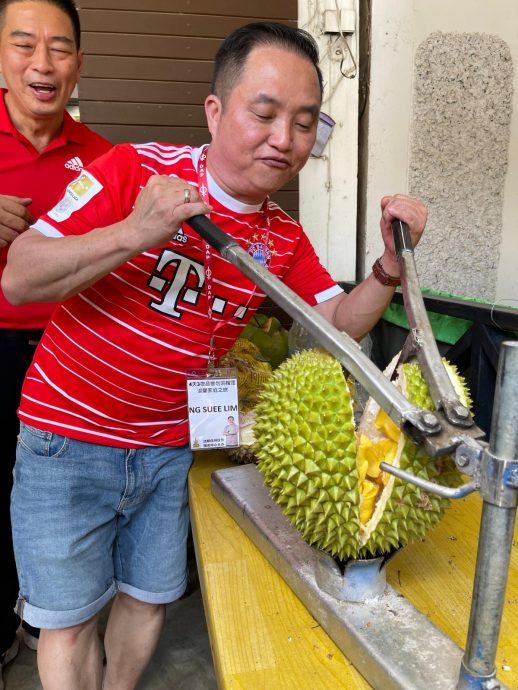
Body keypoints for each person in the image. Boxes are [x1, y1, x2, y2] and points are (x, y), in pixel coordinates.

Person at [2, 21, 427, 690]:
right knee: (70, 619)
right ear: (215, 110)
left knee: (148, 599)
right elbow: (19, 275)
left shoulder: (281, 237)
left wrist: (385, 269)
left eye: (304, 122)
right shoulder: (134, 170)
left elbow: (336, 325)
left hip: (169, 450)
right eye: (264, 113)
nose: (284, 139)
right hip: (68, 438)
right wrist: (136, 230)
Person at [0, 0, 111, 684]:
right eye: (23, 45)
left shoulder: (102, 158)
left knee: (60, 501)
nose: (42, 64)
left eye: (60, 48)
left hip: (68, 356)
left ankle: (49, 623)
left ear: (78, 65)